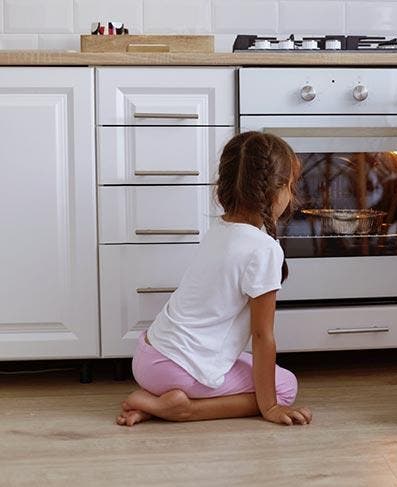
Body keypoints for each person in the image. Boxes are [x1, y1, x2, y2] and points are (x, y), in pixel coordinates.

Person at [116, 131, 312, 427]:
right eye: (291, 186)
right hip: (179, 369)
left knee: (244, 364)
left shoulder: (220, 230)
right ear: (277, 191)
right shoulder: (264, 249)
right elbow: (262, 337)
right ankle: (179, 408)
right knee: (285, 385)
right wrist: (269, 406)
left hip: (148, 359)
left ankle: (157, 402)